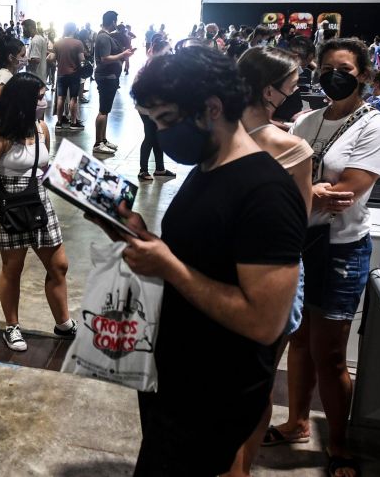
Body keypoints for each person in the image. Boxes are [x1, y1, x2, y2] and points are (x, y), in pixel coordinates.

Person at [93, 45, 306, 476]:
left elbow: (265, 321)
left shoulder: (266, 192)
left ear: (211, 108)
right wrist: (138, 233)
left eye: (167, 120)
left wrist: (167, 265)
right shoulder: (209, 166)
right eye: (153, 123)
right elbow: (199, 255)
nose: (161, 133)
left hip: (215, 391)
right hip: (179, 376)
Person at [276, 38, 380, 477]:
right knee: (300, 341)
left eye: (343, 68)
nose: (333, 75)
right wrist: (311, 194)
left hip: (343, 249)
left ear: (363, 73)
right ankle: (296, 422)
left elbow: (346, 192)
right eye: (326, 67)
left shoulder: (374, 125)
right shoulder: (307, 120)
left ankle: (339, 444)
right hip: (302, 244)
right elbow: (283, 179)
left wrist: (302, 193)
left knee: (330, 352)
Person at [228, 46, 316, 477]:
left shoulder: (218, 135)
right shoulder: (293, 148)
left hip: (227, 275)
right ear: (269, 91)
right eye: (292, 86)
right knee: (254, 384)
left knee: (234, 384)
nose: (296, 93)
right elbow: (297, 223)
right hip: (270, 278)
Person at [0, 73, 75, 352]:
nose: (43, 101)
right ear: (23, 100)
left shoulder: (42, 128)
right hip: (10, 206)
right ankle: (12, 326)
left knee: (59, 265)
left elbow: (45, 167)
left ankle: (63, 321)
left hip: (39, 201)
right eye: (39, 97)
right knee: (13, 267)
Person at [92, 10, 133, 155]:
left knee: (106, 109)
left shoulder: (105, 36)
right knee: (103, 110)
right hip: (106, 76)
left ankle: (103, 140)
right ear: (113, 22)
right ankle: (98, 143)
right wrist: (123, 55)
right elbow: (105, 58)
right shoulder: (103, 37)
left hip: (110, 76)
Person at [135, 39, 175, 182]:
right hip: (147, 109)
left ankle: (160, 169)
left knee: (157, 138)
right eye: (168, 50)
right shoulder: (150, 66)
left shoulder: (160, 65)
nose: (170, 53)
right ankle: (143, 170)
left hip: (154, 108)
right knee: (150, 137)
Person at [53, 22, 86, 130]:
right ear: (74, 30)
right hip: (74, 74)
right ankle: (73, 122)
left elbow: (52, 58)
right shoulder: (78, 43)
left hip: (61, 74)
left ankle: (59, 122)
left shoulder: (57, 43)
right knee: (73, 98)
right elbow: (82, 60)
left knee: (60, 98)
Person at [0, 35, 26, 106]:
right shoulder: (4, 76)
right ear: (11, 58)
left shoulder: (8, 74)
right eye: (22, 55)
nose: (25, 58)